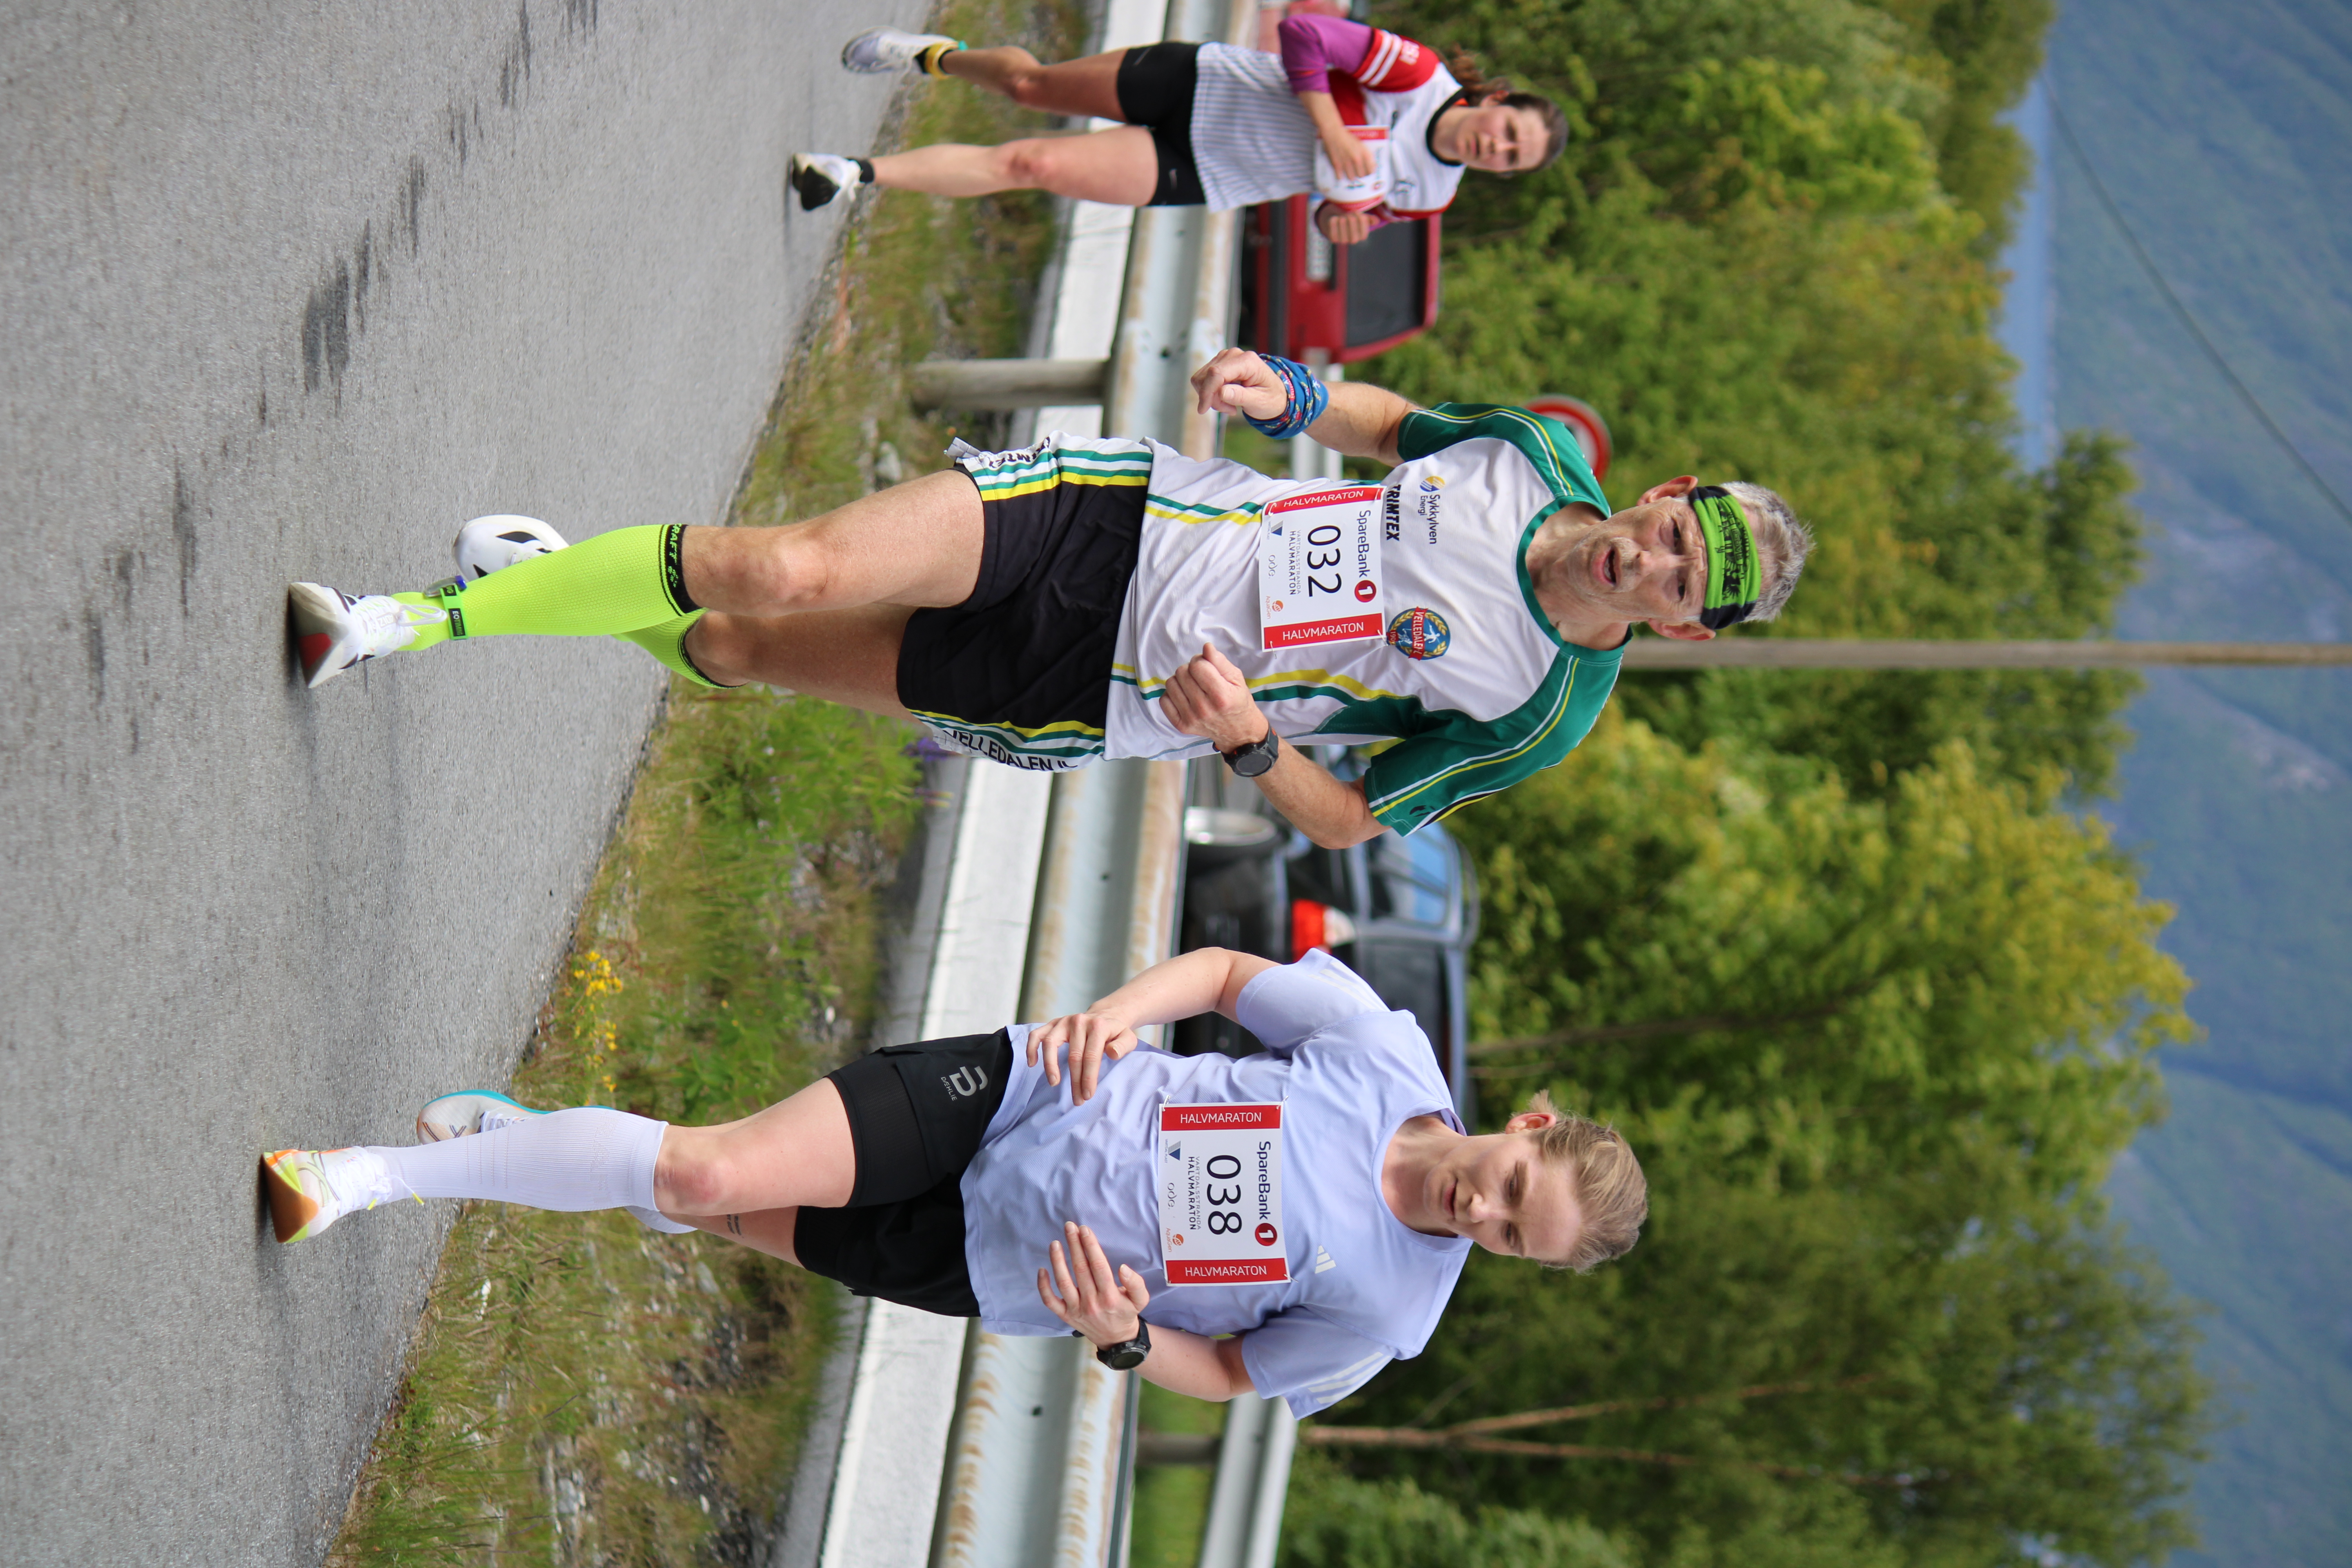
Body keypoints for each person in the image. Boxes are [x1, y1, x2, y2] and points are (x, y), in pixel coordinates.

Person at [288, 349, 1813, 846]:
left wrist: (1247, 745)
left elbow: (1356, 821)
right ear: (1666, 490)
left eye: (1686, 586)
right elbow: (1393, 424)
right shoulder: (1531, 453)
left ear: (1685, 625)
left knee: (738, 646)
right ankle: (410, 622)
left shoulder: (1542, 708)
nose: (1654, 561)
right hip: (1113, 517)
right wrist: (1287, 391)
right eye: (1676, 532)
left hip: (1100, 690)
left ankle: (561, 582)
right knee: (787, 566)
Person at [261, 946, 1648, 1413]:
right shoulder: (1385, 1054)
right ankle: (367, 1177)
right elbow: (1230, 979)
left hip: (998, 1267)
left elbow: (1232, 1376)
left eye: (1510, 1240)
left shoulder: (1393, 1316)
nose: (1482, 1214)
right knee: (703, 1168)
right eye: (1512, 1185)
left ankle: (535, 1139)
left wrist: (1124, 1341)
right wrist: (1115, 1017)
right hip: (1024, 1093)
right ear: (1528, 1123)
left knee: (706, 1205)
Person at [791, 18, 1567, 246]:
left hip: (1209, 168)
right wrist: (1330, 126)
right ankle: (932, 56)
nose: (1495, 148)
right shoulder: (1418, 76)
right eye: (1507, 131)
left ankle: (852, 172)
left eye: (1510, 160)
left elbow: (1345, 210)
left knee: (1031, 162)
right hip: (1204, 83)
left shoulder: (1432, 195)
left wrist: (1340, 222)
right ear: (1496, 100)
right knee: (1032, 87)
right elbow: (1303, 36)